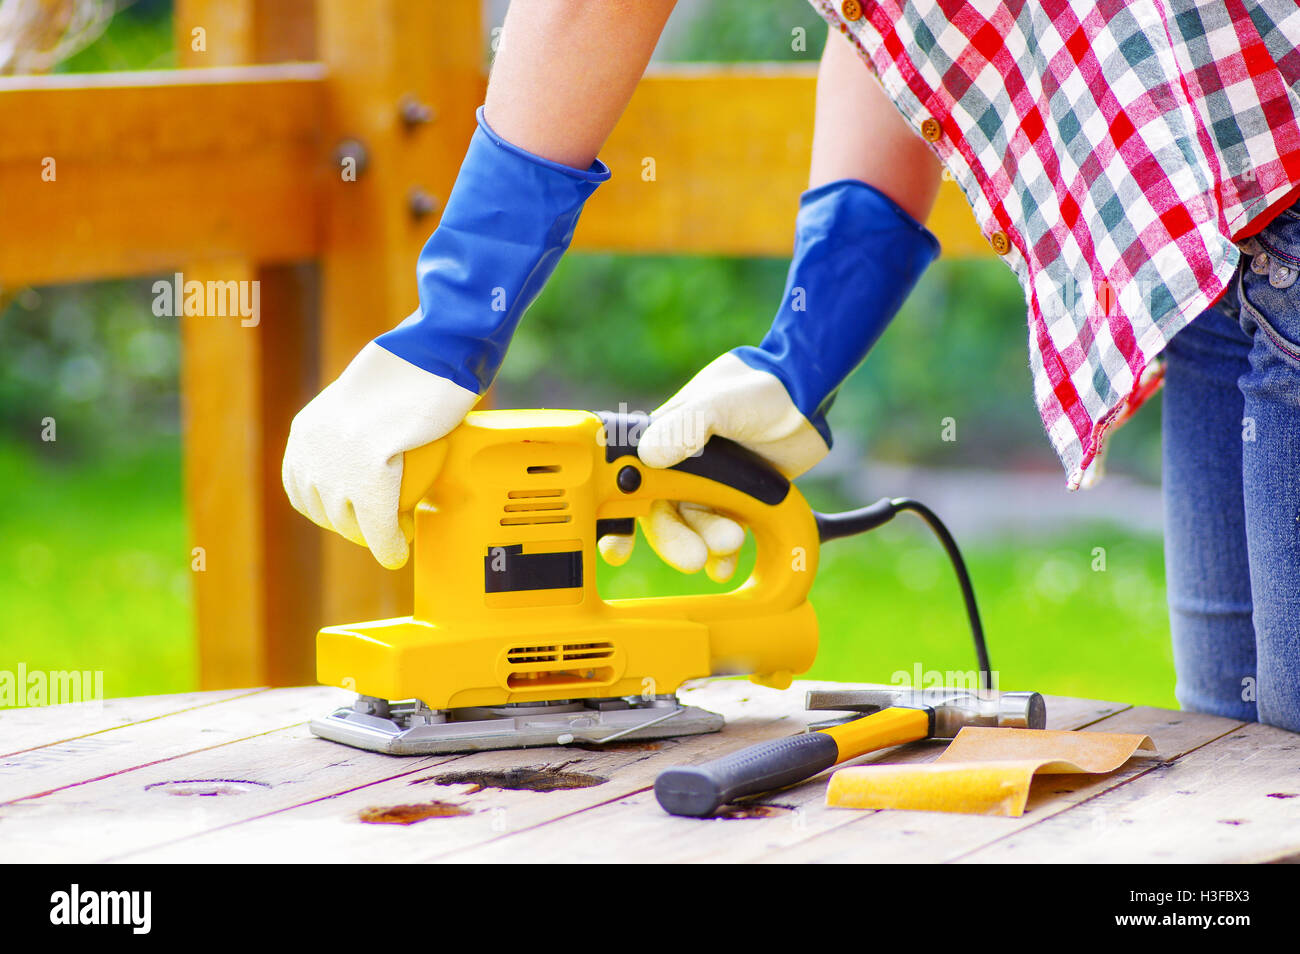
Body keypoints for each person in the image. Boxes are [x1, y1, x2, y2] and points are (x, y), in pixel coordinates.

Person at [282, 1, 1300, 732]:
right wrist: (801, 355)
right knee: (1244, 765)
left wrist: (450, 321)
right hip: (1227, 246)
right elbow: (903, 37)